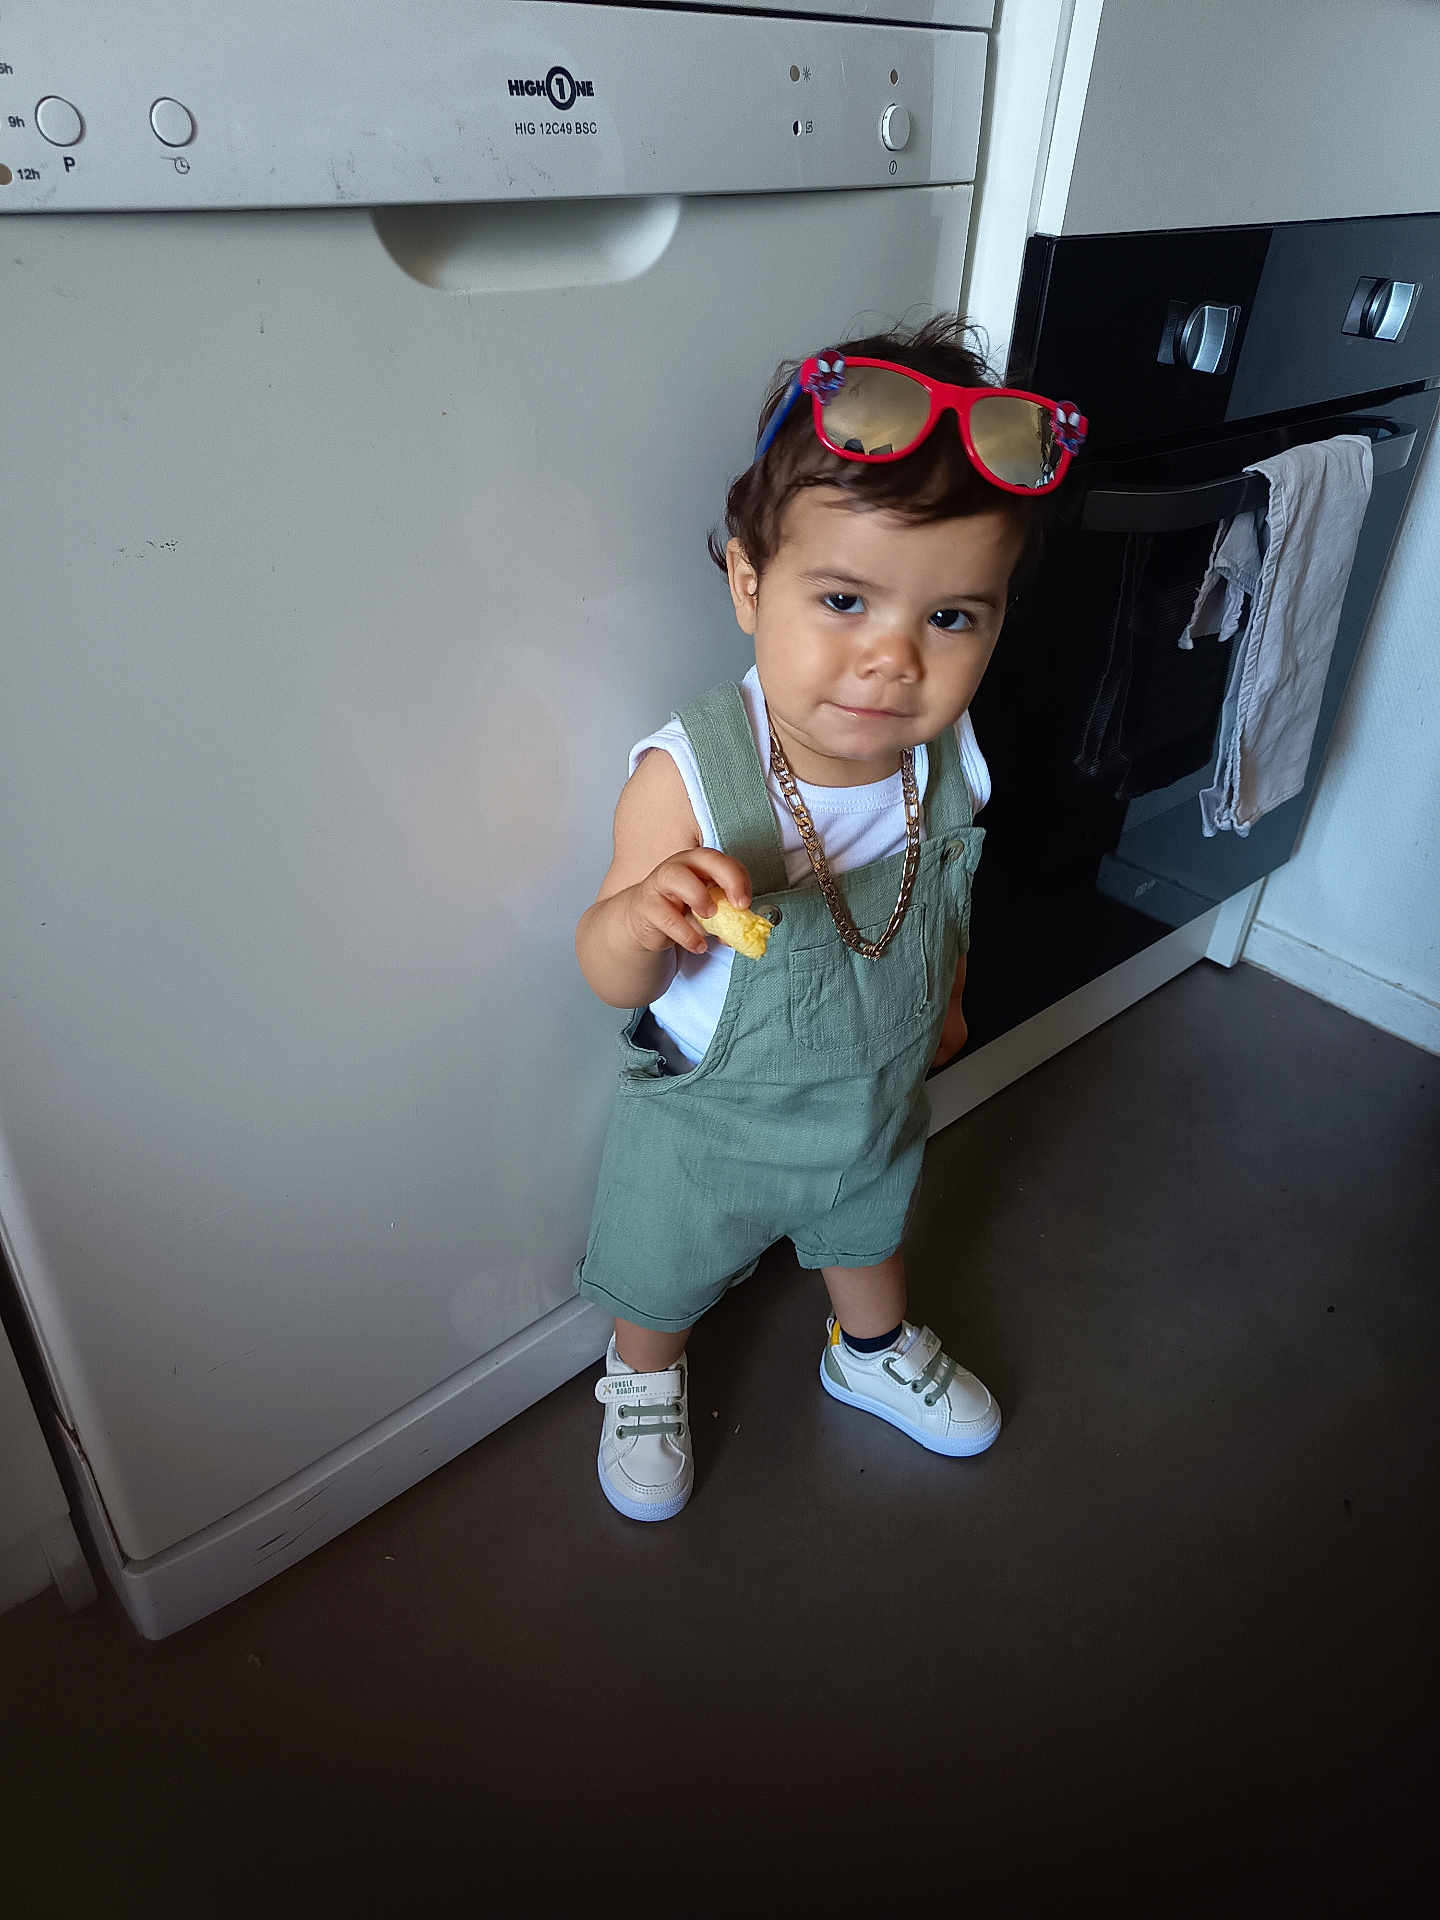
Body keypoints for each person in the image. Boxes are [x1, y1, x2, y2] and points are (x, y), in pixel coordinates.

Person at [573, 316, 1086, 1521]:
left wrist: (951, 1002)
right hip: (717, 1111)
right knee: (665, 1259)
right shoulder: (691, 773)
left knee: (870, 1227)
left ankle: (869, 1351)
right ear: (750, 583)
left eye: (952, 618)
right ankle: (640, 1375)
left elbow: (946, 895)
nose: (894, 659)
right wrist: (649, 915)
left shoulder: (948, 758)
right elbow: (606, 971)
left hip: (871, 1092)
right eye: (846, 598)